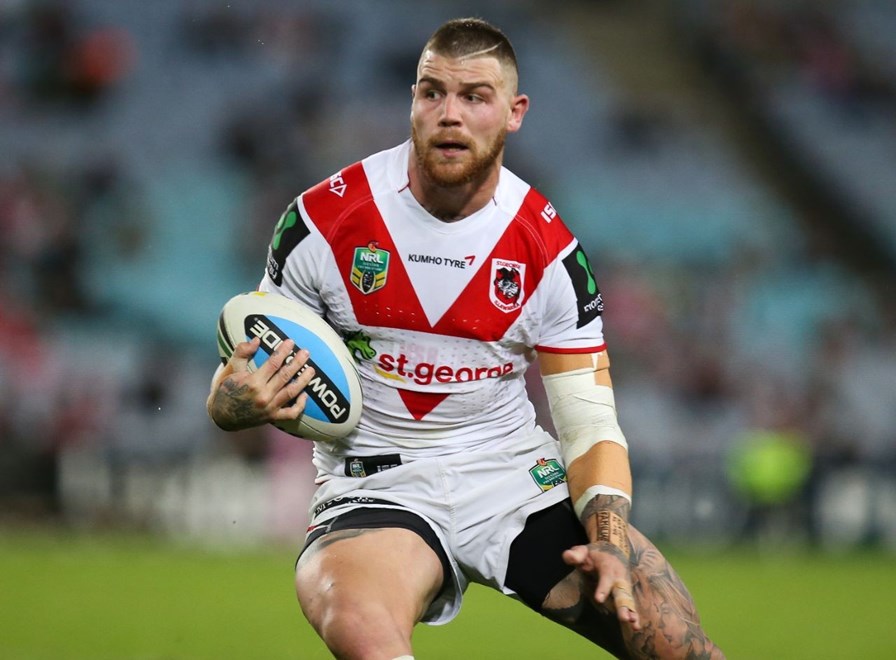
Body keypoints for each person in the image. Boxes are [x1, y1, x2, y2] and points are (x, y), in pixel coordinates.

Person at [207, 17, 724, 660]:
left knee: (678, 645)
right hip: (375, 482)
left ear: (514, 112)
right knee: (361, 630)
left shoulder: (549, 251)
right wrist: (231, 402)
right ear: (413, 102)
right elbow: (245, 367)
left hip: (512, 475)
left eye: (475, 96)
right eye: (433, 93)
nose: (449, 114)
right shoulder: (322, 221)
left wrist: (608, 539)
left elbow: (589, 425)